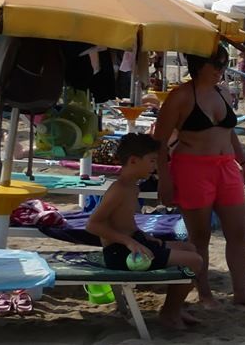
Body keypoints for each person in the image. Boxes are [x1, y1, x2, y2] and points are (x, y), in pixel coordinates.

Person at [153, 46, 245, 308]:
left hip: (226, 167)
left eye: (223, 64)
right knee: (200, 236)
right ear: (198, 64)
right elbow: (158, 141)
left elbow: (229, 132)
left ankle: (241, 293)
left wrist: (243, 162)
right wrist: (164, 178)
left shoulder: (222, 91)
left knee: (238, 232)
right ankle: (205, 293)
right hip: (192, 168)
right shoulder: (181, 97)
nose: (220, 69)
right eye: (215, 63)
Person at [86, 134, 207, 331]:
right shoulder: (119, 189)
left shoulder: (132, 187)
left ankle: (174, 308)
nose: (155, 166)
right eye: (151, 161)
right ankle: (170, 312)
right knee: (194, 261)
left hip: (132, 243)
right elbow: (93, 224)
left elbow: (124, 221)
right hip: (120, 254)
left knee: (190, 248)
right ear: (133, 160)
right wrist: (130, 242)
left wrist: (142, 236)